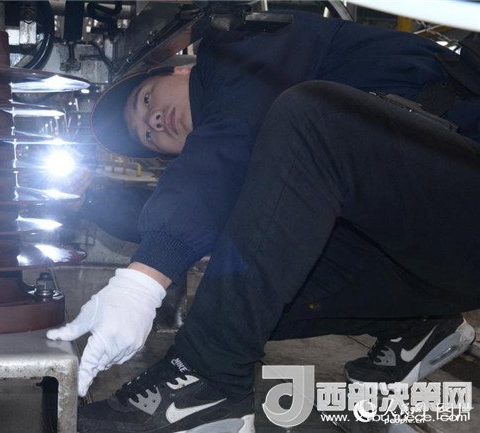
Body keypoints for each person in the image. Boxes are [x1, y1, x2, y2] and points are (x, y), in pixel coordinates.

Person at [47, 9, 480, 432]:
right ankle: (416, 324)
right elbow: (206, 198)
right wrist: (91, 202)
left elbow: (224, 146)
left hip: (464, 172)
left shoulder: (242, 47)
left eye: (145, 101)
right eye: (148, 135)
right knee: (236, 296)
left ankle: (207, 384)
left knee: (316, 118)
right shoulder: (241, 154)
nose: (155, 120)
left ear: (179, 70)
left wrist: (142, 281)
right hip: (442, 245)